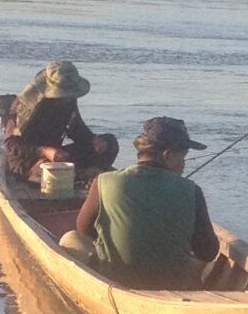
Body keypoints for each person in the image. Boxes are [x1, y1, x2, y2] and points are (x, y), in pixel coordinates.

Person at [64, 117, 220, 289]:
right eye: (182, 157)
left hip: (118, 280)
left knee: (71, 238)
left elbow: (83, 229)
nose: (183, 164)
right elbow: (208, 252)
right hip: (176, 286)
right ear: (167, 155)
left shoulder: (103, 182)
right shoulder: (192, 190)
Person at [5, 60, 118, 181]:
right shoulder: (28, 105)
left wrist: (93, 140)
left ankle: (89, 174)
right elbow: (10, 144)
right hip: (29, 160)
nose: (67, 98)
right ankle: (81, 174)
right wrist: (43, 151)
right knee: (50, 169)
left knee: (110, 143)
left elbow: (75, 129)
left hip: (58, 155)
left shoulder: (68, 100)